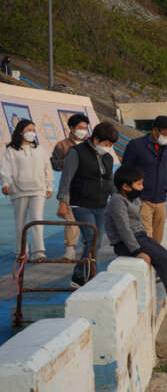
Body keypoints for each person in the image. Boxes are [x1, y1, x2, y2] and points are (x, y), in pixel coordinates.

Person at [106, 165, 167, 316]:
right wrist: (137, 251)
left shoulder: (132, 198)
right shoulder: (117, 202)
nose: (142, 187)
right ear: (125, 186)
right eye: (138, 184)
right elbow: (124, 229)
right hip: (126, 243)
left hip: (141, 237)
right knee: (166, 261)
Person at [57, 121, 117, 287]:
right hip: (81, 203)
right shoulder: (76, 152)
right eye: (106, 143)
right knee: (91, 239)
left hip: (100, 204)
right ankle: (88, 275)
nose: (108, 147)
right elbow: (66, 179)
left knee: (96, 241)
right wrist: (62, 201)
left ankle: (81, 274)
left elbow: (109, 181)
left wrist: (118, 198)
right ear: (96, 139)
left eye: (111, 145)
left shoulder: (108, 158)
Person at [1, 120, 53, 260]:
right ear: (20, 131)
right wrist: (5, 184)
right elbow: (6, 169)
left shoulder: (39, 149)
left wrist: (49, 186)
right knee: (20, 222)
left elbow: (47, 168)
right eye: (29, 130)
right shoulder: (11, 150)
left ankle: (39, 252)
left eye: (34, 130)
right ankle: (21, 251)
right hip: (19, 191)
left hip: (38, 190)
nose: (32, 133)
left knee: (37, 220)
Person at [122, 115, 167, 244]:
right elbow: (125, 170)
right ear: (155, 131)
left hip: (161, 199)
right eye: (165, 134)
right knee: (145, 236)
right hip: (142, 199)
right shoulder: (136, 146)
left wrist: (165, 188)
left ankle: (154, 263)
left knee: (158, 239)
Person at [51, 113, 90, 260]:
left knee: (88, 219)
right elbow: (55, 164)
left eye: (85, 128)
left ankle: (88, 247)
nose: (83, 130)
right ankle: (70, 250)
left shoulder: (90, 144)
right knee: (70, 219)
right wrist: (71, 162)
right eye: (80, 127)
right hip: (70, 186)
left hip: (88, 187)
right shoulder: (62, 145)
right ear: (72, 128)